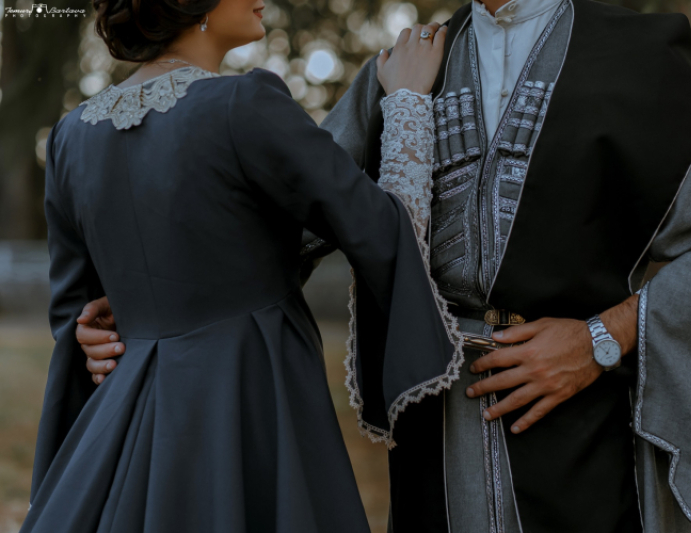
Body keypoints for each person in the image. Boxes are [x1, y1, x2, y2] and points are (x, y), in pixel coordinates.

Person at [80, 0, 691, 531]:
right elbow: (278, 237)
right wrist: (139, 306)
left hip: (586, 429)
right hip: (433, 436)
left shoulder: (643, 57)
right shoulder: (401, 70)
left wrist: (600, 338)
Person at [22, 0, 461, 529]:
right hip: (253, 401)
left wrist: (96, 332)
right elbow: (385, 232)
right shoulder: (244, 104)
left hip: (122, 427)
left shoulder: (70, 136)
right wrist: (408, 100)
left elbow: (76, 318)